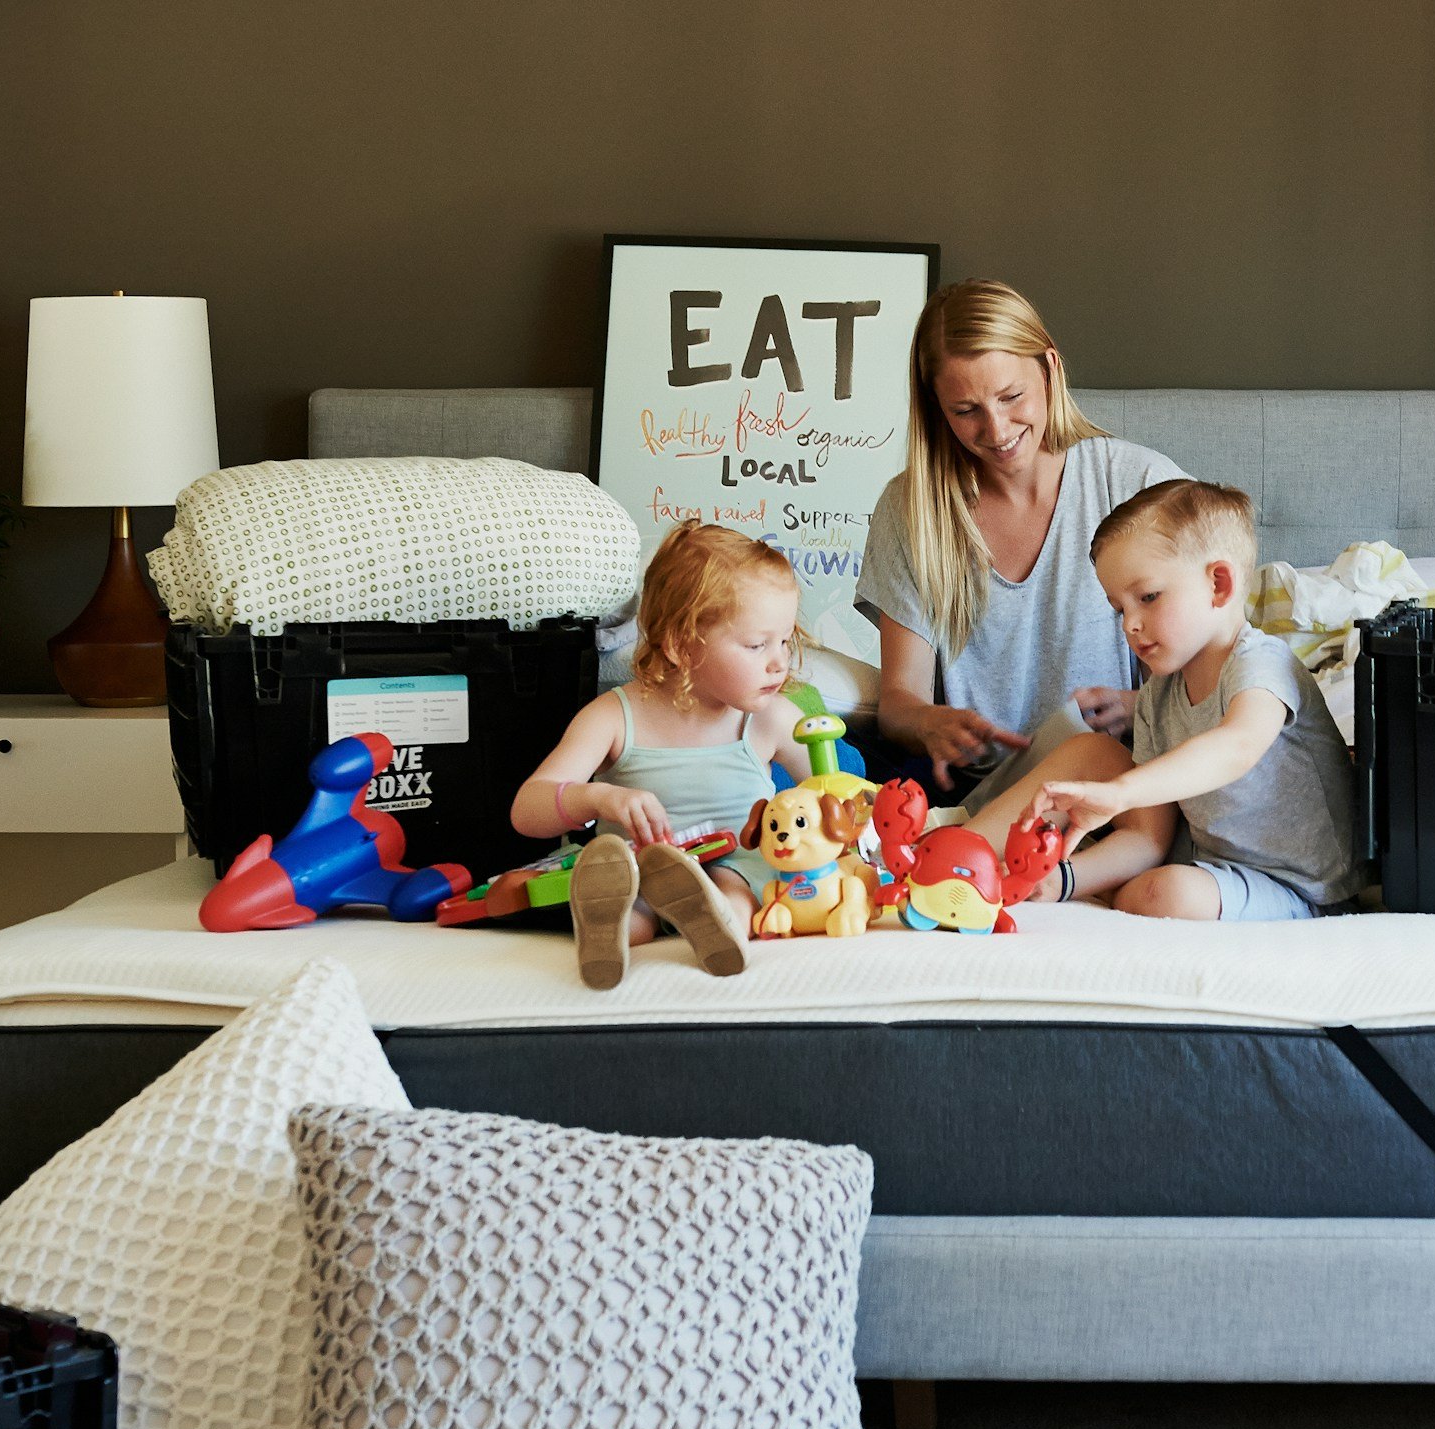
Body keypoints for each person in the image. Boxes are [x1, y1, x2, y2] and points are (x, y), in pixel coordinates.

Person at [856, 280, 1190, 900]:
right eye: (965, 411)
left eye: (1012, 397)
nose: (997, 428)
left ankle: (953, 873)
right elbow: (899, 702)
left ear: (1051, 369)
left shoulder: (1136, 484)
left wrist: (1139, 703)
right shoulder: (910, 511)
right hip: (973, 785)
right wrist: (932, 722)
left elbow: (1210, 665)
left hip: (1109, 786)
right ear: (935, 408)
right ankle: (952, 865)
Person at [1022, 479, 1367, 921]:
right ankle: (989, 859)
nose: (1129, 624)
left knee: (1169, 894)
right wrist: (1063, 879)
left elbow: (1236, 748)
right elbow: (1150, 835)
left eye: (1147, 597)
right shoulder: (1157, 698)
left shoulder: (1261, 663)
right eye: (1119, 608)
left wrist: (1121, 792)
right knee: (1153, 876)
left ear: (1219, 585)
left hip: (1306, 890)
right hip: (1215, 869)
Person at [512, 521, 813, 987]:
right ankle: (609, 931)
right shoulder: (613, 717)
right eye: (757, 645)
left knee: (734, 883)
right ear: (680, 644)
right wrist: (599, 799)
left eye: (785, 640)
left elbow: (833, 791)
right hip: (640, 868)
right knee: (632, 902)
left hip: (735, 861)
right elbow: (528, 809)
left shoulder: (770, 717)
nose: (780, 662)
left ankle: (718, 926)